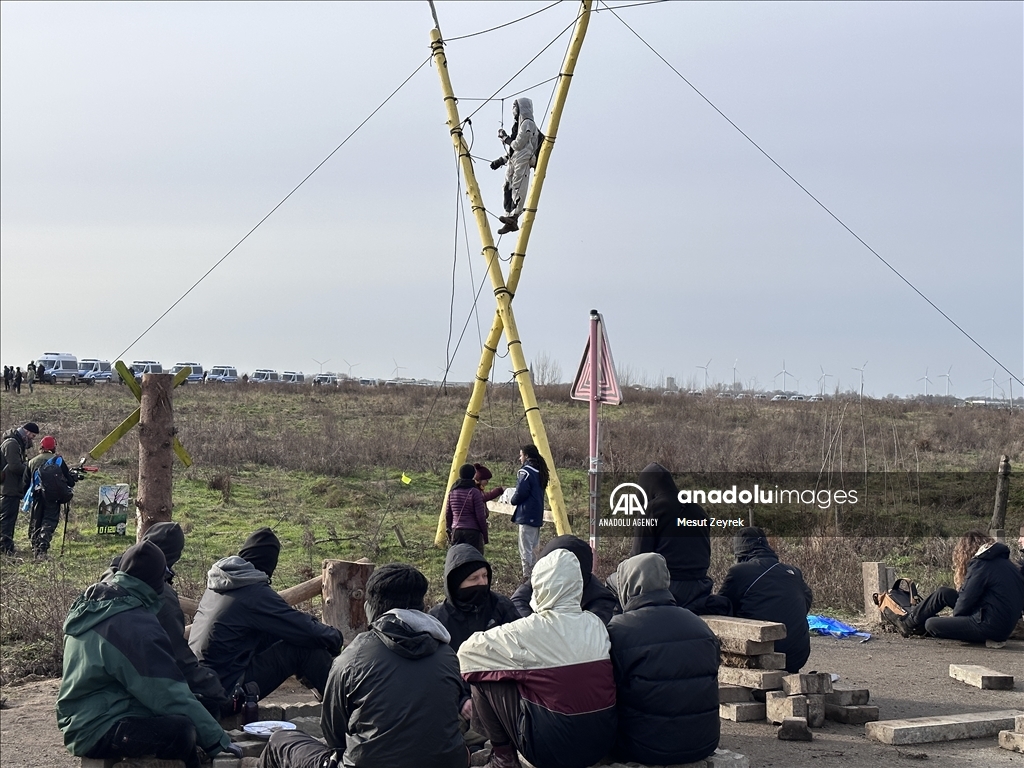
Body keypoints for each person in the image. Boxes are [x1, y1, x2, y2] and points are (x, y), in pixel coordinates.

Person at [258, 563, 468, 768]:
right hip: (447, 762)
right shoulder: (447, 655)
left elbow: (334, 734)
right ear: (422, 606)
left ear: (371, 606)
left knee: (281, 741)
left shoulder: (354, 656)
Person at [56, 541, 237, 767]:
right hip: (96, 727)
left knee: (201, 709)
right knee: (181, 731)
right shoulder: (133, 624)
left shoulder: (98, 604)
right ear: (155, 580)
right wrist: (217, 741)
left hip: (90, 711)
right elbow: (166, 693)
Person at [458, 548, 616, 768]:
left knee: (485, 672)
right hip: (601, 744)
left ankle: (504, 758)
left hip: (551, 752)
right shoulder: (595, 624)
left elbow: (467, 654)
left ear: (539, 585)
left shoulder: (528, 631)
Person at [189, 528, 342, 701]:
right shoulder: (253, 593)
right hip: (225, 694)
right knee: (304, 648)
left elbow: (289, 624)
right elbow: (304, 628)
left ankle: (327, 694)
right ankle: (346, 709)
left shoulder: (218, 585)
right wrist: (337, 638)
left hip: (202, 685)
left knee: (281, 634)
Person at [104, 522, 228, 715]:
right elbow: (179, 660)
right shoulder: (161, 595)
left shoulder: (108, 579)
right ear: (174, 557)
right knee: (207, 708)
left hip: (102, 688)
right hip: (135, 693)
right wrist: (218, 692)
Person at [607, 553, 720, 765]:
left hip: (644, 747)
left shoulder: (619, 629)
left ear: (627, 585)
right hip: (704, 742)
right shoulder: (699, 624)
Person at [618, 462, 731, 615]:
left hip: (668, 590)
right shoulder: (698, 510)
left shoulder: (652, 510)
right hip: (701, 589)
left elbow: (638, 558)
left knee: (614, 582)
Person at [888, 530, 1024, 643]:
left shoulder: (981, 564)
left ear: (966, 551)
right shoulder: (1006, 564)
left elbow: (961, 608)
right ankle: (908, 623)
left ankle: (912, 625)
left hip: (990, 627)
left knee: (931, 624)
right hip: (1000, 622)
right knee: (943, 593)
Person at [717, 527, 813, 673]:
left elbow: (722, 607)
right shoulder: (793, 572)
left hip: (759, 657)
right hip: (797, 657)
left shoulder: (739, 572)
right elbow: (806, 601)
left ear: (739, 550)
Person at [430, 544, 520, 653]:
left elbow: (520, 643)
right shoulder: (437, 618)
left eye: (485, 575)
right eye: (474, 578)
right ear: (456, 583)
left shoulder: (501, 605)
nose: (482, 582)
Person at [511, 535, 618, 625]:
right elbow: (517, 602)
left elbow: (594, 628)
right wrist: (538, 627)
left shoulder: (600, 597)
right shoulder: (543, 577)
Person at [489, 98, 539, 236]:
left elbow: (517, 144)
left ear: (520, 108)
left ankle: (514, 216)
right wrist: (501, 160)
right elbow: (513, 150)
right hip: (514, 159)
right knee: (507, 186)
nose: (513, 110)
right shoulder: (517, 125)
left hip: (523, 158)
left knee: (518, 186)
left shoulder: (527, 124)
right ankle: (509, 217)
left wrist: (505, 138)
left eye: (514, 107)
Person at [26, 435, 77, 558]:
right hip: (53, 497)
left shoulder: (32, 462)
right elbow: (70, 481)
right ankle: (42, 550)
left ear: (41, 447)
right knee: (49, 521)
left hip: (37, 496)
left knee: (36, 521)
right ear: (54, 447)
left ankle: (34, 548)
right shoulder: (58, 460)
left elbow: (25, 482)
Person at [1, 422, 40, 554]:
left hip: (11, 487)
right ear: (27, 432)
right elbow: (15, 466)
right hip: (8, 488)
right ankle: (5, 547)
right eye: (32, 436)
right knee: (7, 518)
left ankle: (6, 546)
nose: (32, 439)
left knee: (10, 518)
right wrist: (30, 469)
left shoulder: (17, 443)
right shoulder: (12, 444)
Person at [510, 444, 548, 578]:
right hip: (537, 513)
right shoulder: (541, 470)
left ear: (526, 456)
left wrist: (513, 500)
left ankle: (527, 576)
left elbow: (521, 492)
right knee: (534, 548)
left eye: (521, 455)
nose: (520, 458)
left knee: (525, 548)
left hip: (526, 514)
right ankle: (536, 573)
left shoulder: (525, 471)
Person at [446, 463, 489, 554]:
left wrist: (449, 530)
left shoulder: (453, 491)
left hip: (456, 531)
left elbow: (448, 513)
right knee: (474, 561)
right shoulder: (474, 492)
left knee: (458, 559)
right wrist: (485, 536)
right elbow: (480, 516)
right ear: (473, 475)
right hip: (472, 532)